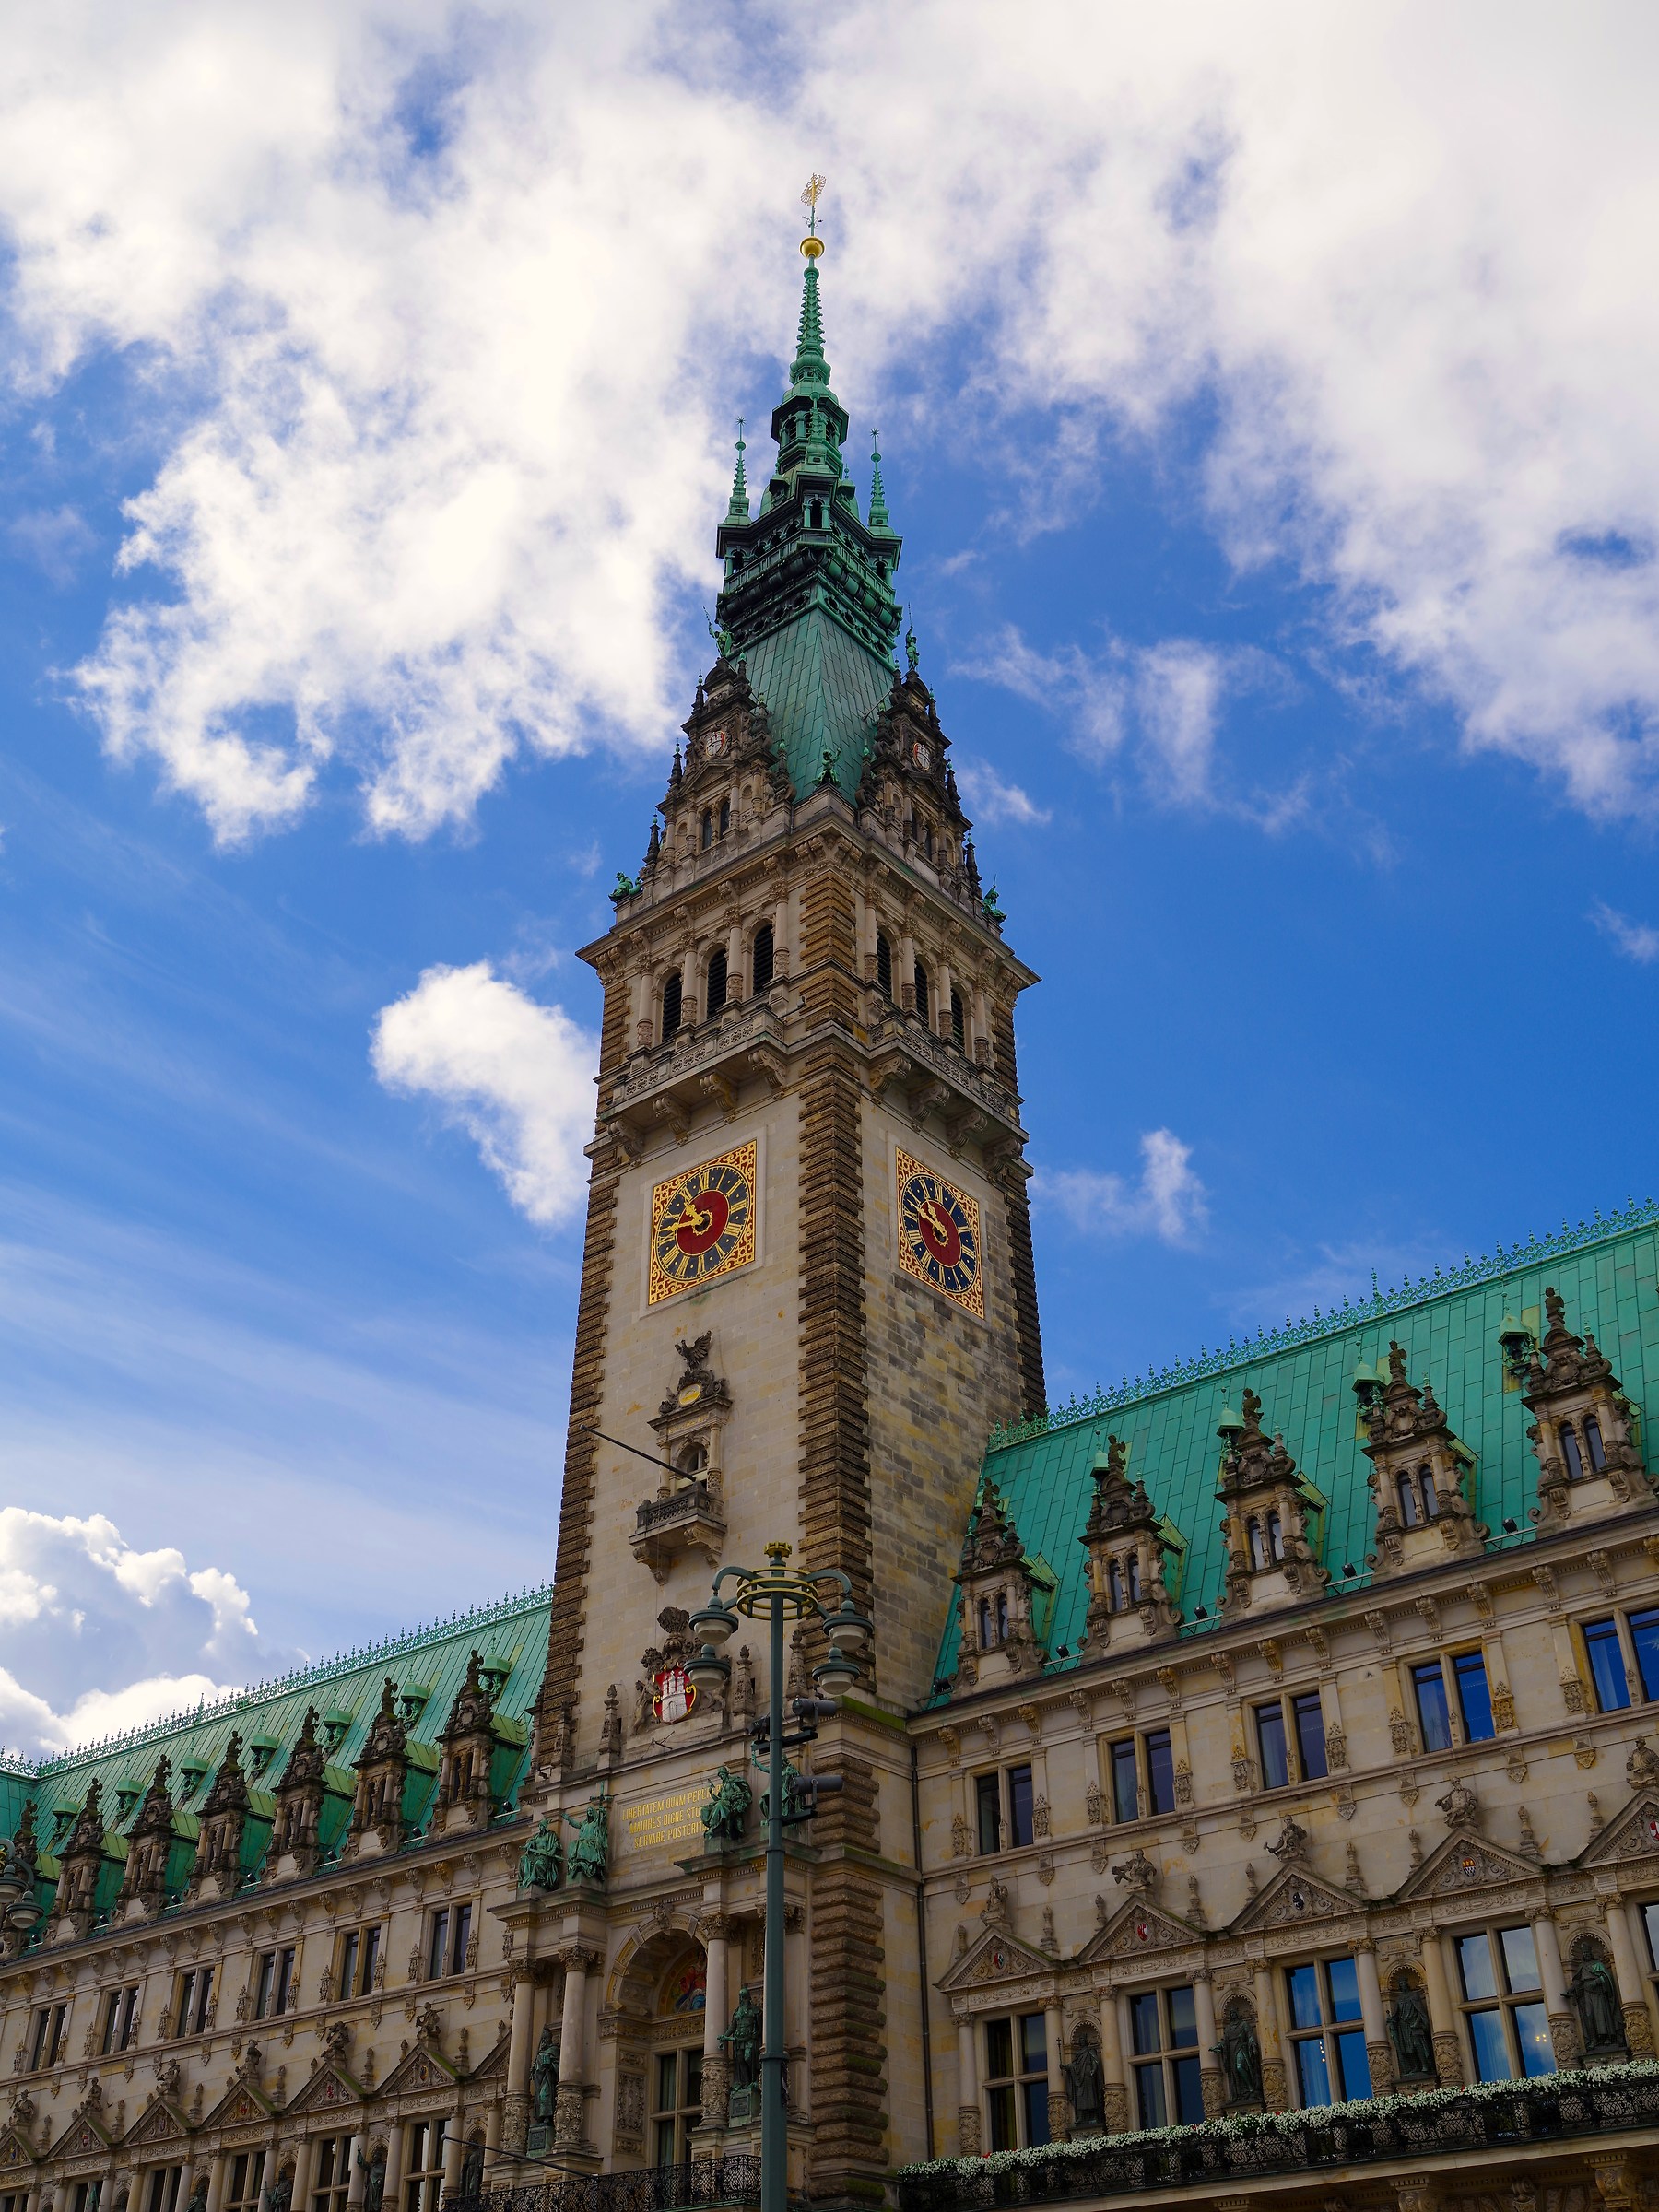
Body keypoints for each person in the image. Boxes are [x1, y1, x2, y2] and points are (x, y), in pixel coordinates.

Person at [1385, 1977, 1436, 2081]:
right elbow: (1396, 2014)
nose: (1403, 1984)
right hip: (1404, 2026)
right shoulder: (1399, 1999)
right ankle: (1416, 2066)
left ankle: (1425, 2065)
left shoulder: (1414, 1995)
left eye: (1404, 1982)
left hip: (1414, 2024)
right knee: (1408, 2048)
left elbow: (1420, 2011)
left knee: (1417, 2044)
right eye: (1401, 1983)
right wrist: (1391, 2019)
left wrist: (1417, 2022)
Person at [1064, 2032, 1105, 2134]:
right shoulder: (1078, 2054)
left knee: (1091, 2097)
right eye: (1080, 2039)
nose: (1081, 2041)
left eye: (1083, 2039)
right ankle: (1081, 2118)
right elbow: (1074, 2065)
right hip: (1080, 2079)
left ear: (1086, 2041)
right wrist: (1067, 2067)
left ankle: (1094, 2116)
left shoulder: (1090, 2050)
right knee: (1080, 2097)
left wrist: (1093, 2070)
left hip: (1088, 2077)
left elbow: (1096, 2062)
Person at [722, 1984, 761, 2090]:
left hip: (749, 2040)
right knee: (740, 2060)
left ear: (748, 1997)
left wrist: (756, 2035)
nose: (742, 1999)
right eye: (741, 1997)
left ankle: (754, 2080)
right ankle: (746, 2082)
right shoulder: (737, 2013)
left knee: (748, 2058)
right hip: (739, 2041)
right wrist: (724, 2036)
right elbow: (732, 2027)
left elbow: (760, 2027)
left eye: (744, 1997)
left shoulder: (755, 2011)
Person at [530, 2025, 560, 2122]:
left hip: (548, 2078)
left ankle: (547, 2116)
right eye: (542, 2040)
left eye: (544, 2039)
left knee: (545, 2095)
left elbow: (558, 2067)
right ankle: (540, 2118)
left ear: (548, 2039)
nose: (542, 2042)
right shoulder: (539, 2053)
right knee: (539, 2097)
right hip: (539, 2079)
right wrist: (534, 2069)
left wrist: (550, 2066)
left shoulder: (553, 2050)